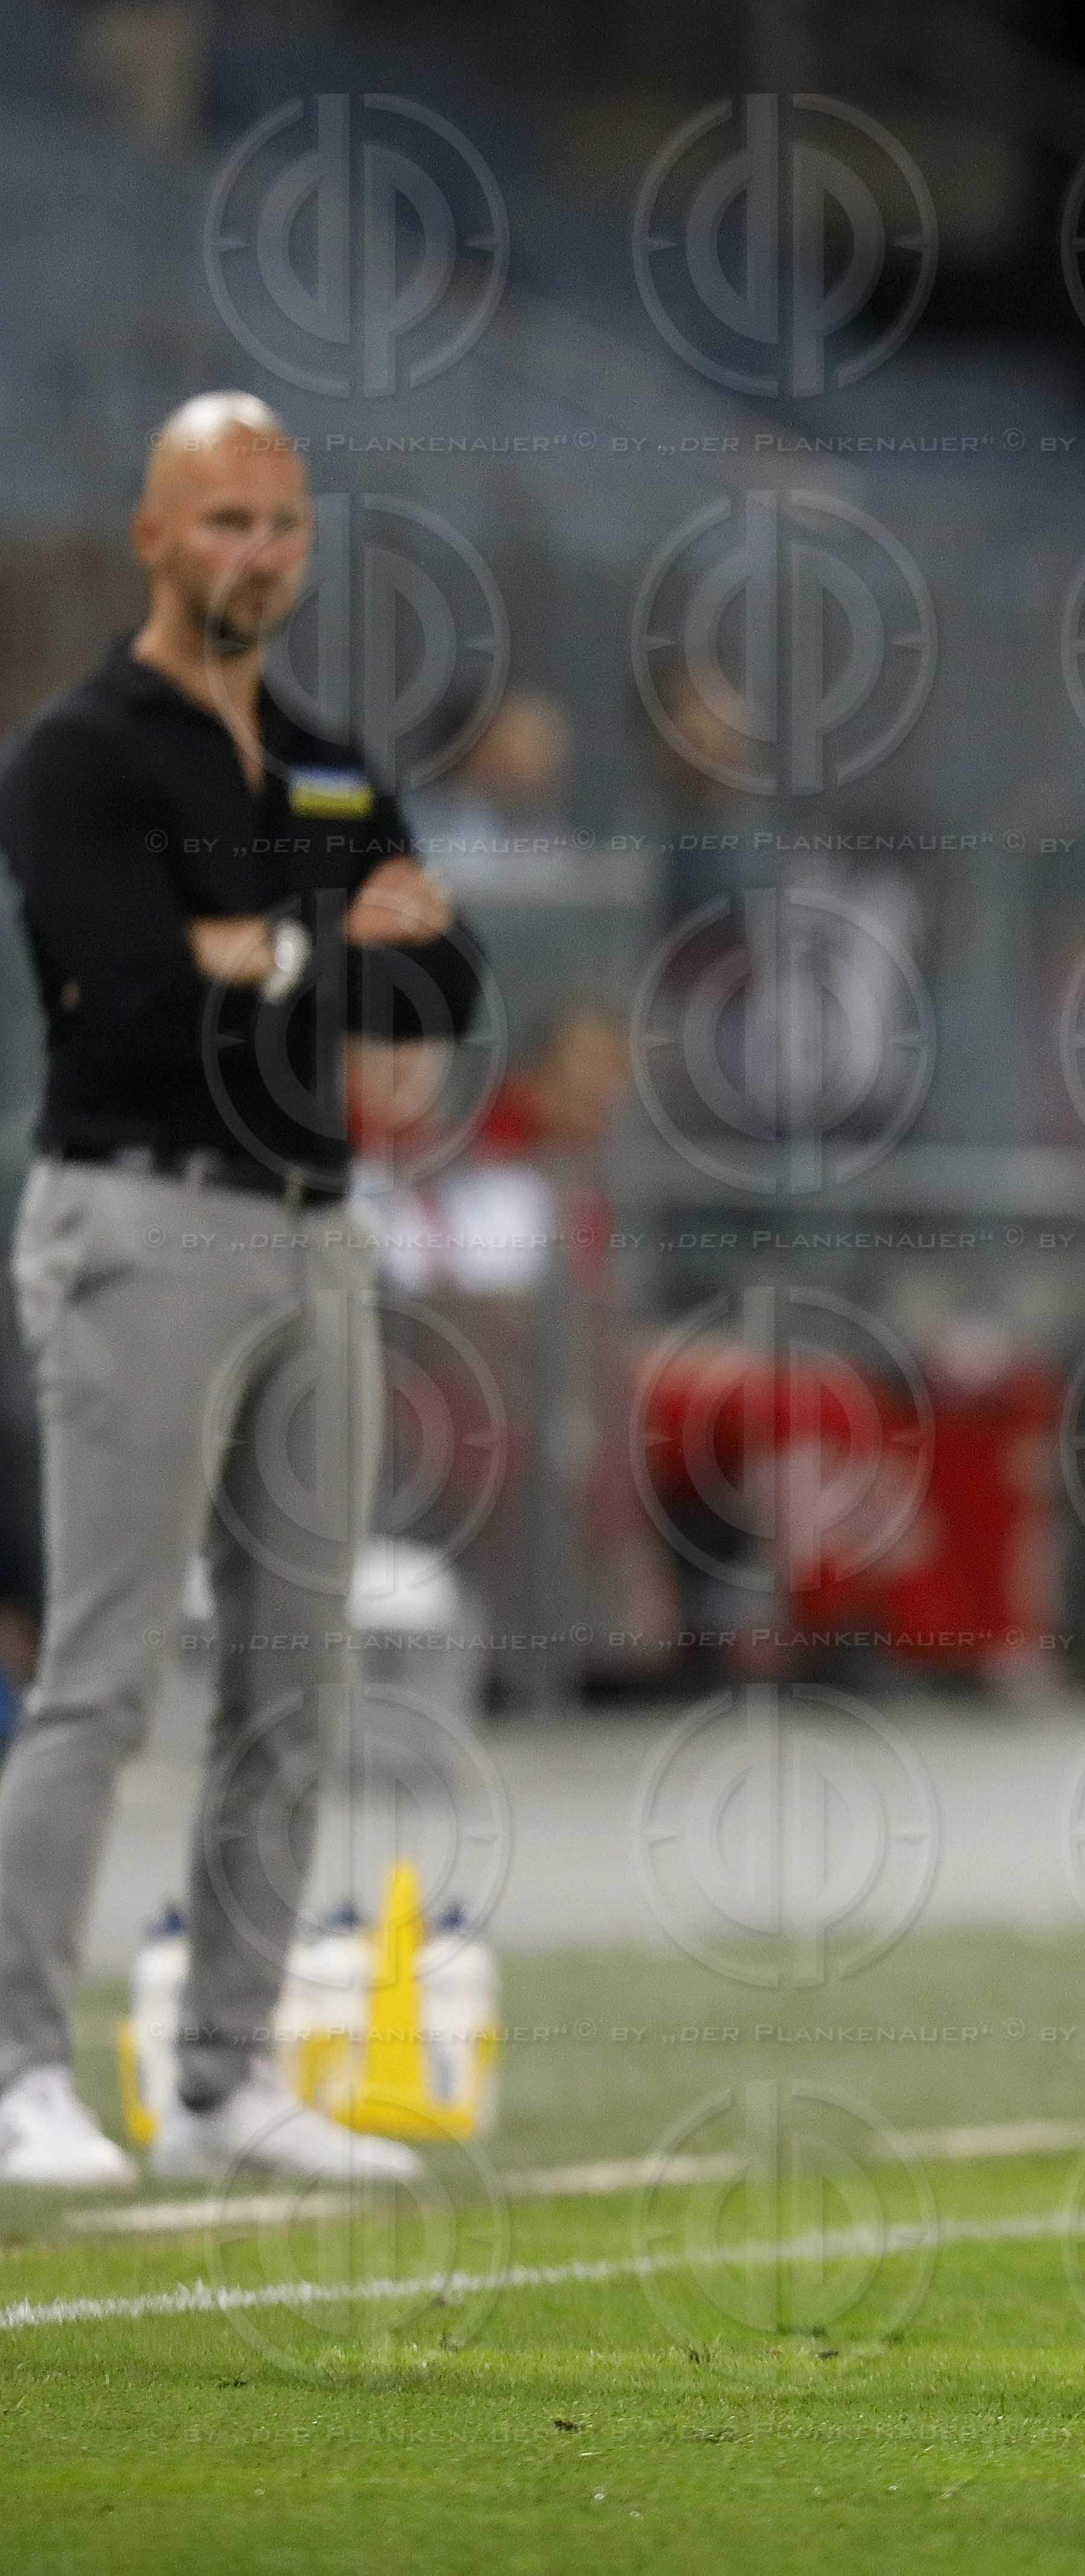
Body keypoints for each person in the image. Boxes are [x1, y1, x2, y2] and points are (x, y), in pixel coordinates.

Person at [0, 393, 488, 2188]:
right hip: (142, 1214)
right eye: (222, 522)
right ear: (153, 534)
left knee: (296, 1677)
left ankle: (220, 2074)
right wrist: (306, 942)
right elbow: (119, 986)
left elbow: (441, 987)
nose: (255, 555)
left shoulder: (324, 758)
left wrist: (263, 946)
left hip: (310, 1223)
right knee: (106, 1670)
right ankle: (15, 2070)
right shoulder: (84, 753)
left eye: (280, 525)